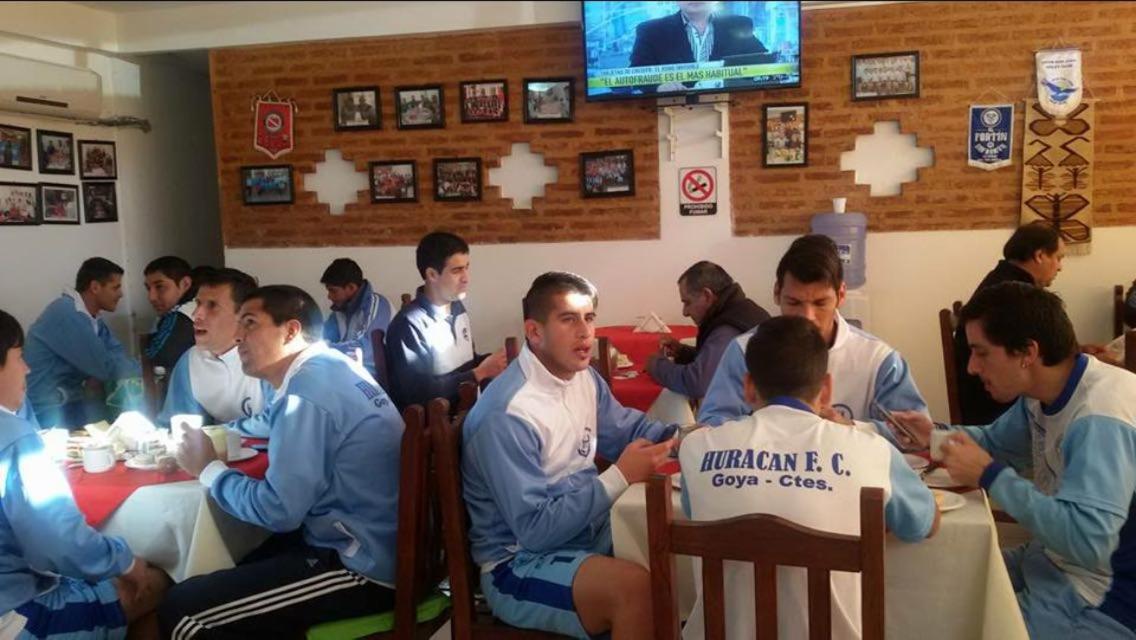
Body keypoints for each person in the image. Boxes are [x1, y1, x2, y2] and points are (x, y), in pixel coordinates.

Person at [160, 285, 404, 639]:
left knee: (182, 609)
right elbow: (266, 422)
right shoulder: (328, 368)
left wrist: (209, 470)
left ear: (290, 331)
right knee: (228, 561)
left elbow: (279, 511)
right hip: (381, 542)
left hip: (361, 566)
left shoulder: (306, 395)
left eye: (250, 323)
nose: (238, 336)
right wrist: (213, 437)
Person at [898, 282, 1136, 639]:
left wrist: (990, 476)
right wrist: (933, 435)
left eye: (981, 353)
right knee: (934, 587)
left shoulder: (1100, 417)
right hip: (1050, 561)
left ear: (1027, 352)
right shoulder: (1043, 393)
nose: (971, 368)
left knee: (956, 622)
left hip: (1102, 597)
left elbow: (1089, 543)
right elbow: (996, 444)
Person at [681, 315, 939, 639]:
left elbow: (696, 511)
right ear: (826, 389)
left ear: (748, 387)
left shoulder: (697, 449)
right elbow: (922, 524)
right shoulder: (871, 450)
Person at [462, 272, 677, 639]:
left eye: (589, 318)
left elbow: (628, 429)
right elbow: (536, 531)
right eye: (568, 319)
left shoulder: (583, 378)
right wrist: (620, 476)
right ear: (534, 332)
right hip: (518, 562)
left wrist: (686, 438)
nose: (585, 332)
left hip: (583, 533)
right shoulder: (508, 414)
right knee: (634, 590)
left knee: (673, 546)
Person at [0, 309, 169, 639]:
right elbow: (57, 539)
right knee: (157, 584)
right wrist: (125, 562)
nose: (27, 369)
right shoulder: (14, 438)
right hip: (15, 617)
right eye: (19, 357)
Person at [699, 235, 928, 445]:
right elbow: (712, 428)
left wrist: (849, 428)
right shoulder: (744, 351)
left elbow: (916, 436)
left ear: (841, 295)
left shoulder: (878, 360)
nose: (807, 317)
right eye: (794, 303)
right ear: (777, 293)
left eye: (820, 303)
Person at [954, 221, 1065, 425]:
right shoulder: (1015, 294)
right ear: (1040, 255)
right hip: (993, 407)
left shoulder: (1001, 279)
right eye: (1058, 257)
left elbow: (1036, 348)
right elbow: (1042, 358)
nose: (1060, 267)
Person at [385, 231, 506, 409]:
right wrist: (479, 373)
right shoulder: (408, 324)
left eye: (467, 267)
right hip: (440, 422)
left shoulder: (457, 308)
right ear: (432, 274)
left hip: (468, 409)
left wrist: (496, 361)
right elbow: (417, 394)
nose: (466, 278)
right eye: (457, 270)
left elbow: (465, 364)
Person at [24, 257, 140, 428]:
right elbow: (106, 367)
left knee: (118, 410)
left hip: (70, 400)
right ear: (95, 287)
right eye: (115, 287)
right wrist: (145, 368)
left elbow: (116, 353)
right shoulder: (66, 313)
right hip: (47, 409)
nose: (121, 294)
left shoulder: (92, 317)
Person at [159, 268, 273, 437]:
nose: (196, 315)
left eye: (212, 306)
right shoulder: (190, 362)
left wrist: (216, 432)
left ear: (243, 316)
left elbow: (280, 421)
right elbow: (179, 424)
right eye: (198, 304)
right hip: (222, 451)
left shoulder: (273, 358)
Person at [646, 261, 769, 400]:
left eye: (687, 302)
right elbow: (723, 362)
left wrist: (656, 365)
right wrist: (682, 352)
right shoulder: (743, 311)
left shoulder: (728, 329)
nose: (685, 312)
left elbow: (697, 383)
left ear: (707, 295)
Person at [629, 1, 767, 93]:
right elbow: (636, 73)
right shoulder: (651, 30)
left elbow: (763, 63)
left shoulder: (738, 24)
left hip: (732, 107)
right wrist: (659, 87)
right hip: (672, 109)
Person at [319, 258, 393, 378]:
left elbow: (363, 350)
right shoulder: (339, 310)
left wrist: (322, 348)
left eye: (333, 291)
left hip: (377, 379)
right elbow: (321, 336)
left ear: (351, 287)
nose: (329, 296)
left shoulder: (378, 305)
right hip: (349, 372)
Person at [143, 256, 197, 372]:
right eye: (148, 288)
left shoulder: (181, 317)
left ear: (185, 284)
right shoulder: (191, 307)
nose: (151, 297)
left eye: (160, 287)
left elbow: (157, 357)